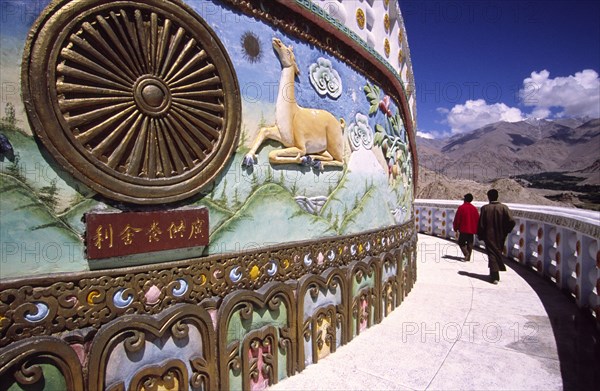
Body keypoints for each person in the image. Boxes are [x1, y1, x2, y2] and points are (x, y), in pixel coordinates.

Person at [477, 189, 516, 284]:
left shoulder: (485, 208)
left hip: (489, 235)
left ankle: (494, 276)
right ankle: (494, 274)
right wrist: (506, 230)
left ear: (488, 197)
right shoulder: (504, 208)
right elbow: (512, 221)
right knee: (497, 252)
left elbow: (481, 224)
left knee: (492, 254)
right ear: (497, 196)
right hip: (501, 235)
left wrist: (480, 234)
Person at [452, 193, 479, 262]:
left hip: (463, 229)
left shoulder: (461, 208)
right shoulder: (474, 208)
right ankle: (468, 256)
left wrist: (455, 228)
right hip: (472, 229)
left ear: (465, 199)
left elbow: (457, 219)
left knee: (461, 242)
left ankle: (466, 253)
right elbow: (477, 219)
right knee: (470, 243)